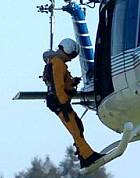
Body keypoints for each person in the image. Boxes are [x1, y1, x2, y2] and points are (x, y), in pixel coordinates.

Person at [43, 39, 103, 169]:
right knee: (75, 129)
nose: (70, 59)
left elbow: (60, 83)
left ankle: (83, 156)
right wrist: (64, 104)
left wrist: (72, 83)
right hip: (59, 102)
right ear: (67, 50)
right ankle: (88, 156)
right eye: (71, 56)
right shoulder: (57, 63)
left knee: (78, 126)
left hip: (58, 101)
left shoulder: (56, 63)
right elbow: (58, 87)